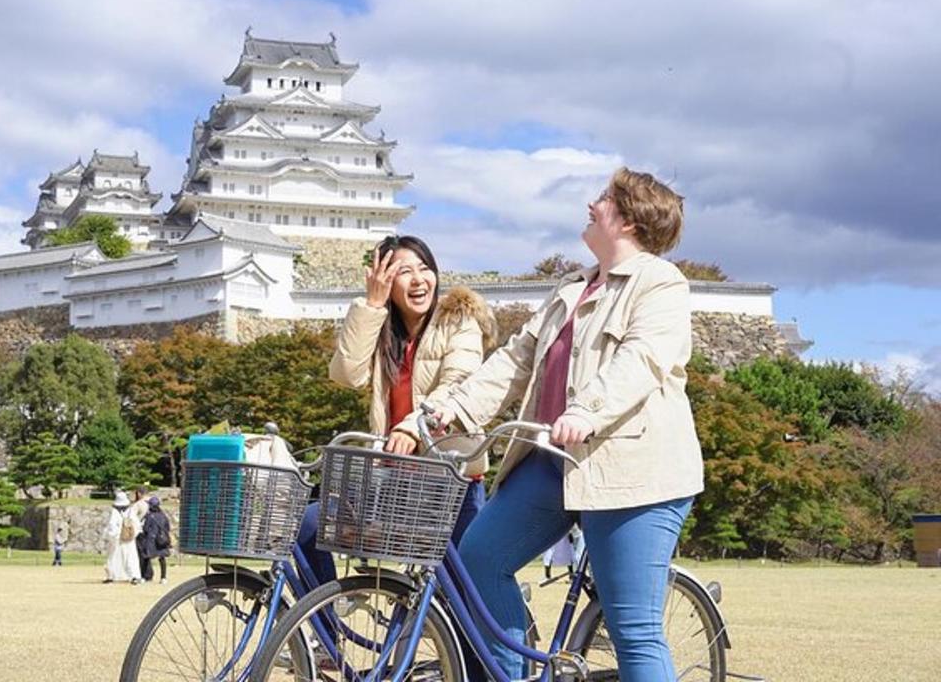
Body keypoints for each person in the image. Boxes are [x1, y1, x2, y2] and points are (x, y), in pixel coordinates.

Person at [423, 168, 704, 682]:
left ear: (629, 221)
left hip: (633, 473)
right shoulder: (571, 289)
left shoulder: (661, 283)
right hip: (554, 461)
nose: (592, 205)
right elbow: (515, 358)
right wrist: (456, 408)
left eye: (604, 199)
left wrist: (584, 412)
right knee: (480, 559)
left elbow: (641, 360)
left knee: (633, 628)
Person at [296, 234, 497, 585]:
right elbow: (346, 375)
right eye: (405, 272)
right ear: (386, 281)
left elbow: (459, 382)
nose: (419, 279)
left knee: (460, 593)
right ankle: (323, 630)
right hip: (396, 480)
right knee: (309, 526)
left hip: (450, 479)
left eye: (425, 268)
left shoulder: (459, 319)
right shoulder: (383, 332)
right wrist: (372, 307)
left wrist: (411, 427)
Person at [103, 491, 142, 584]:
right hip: (129, 540)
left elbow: (111, 527)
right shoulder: (130, 512)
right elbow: (137, 525)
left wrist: (112, 536)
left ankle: (111, 576)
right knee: (131, 558)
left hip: (117, 539)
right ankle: (134, 576)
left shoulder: (114, 512)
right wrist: (132, 535)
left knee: (113, 558)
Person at [138, 495, 171, 584]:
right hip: (161, 540)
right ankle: (163, 577)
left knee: (146, 558)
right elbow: (167, 527)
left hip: (151, 540)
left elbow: (145, 528)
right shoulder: (163, 516)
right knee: (162, 558)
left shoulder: (149, 516)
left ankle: (143, 577)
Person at [128, 488, 150, 566]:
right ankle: (149, 572)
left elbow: (131, 516)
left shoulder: (139, 504)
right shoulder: (153, 502)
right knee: (147, 551)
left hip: (141, 529)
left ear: (139, 494)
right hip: (151, 529)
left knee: (140, 551)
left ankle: (142, 571)